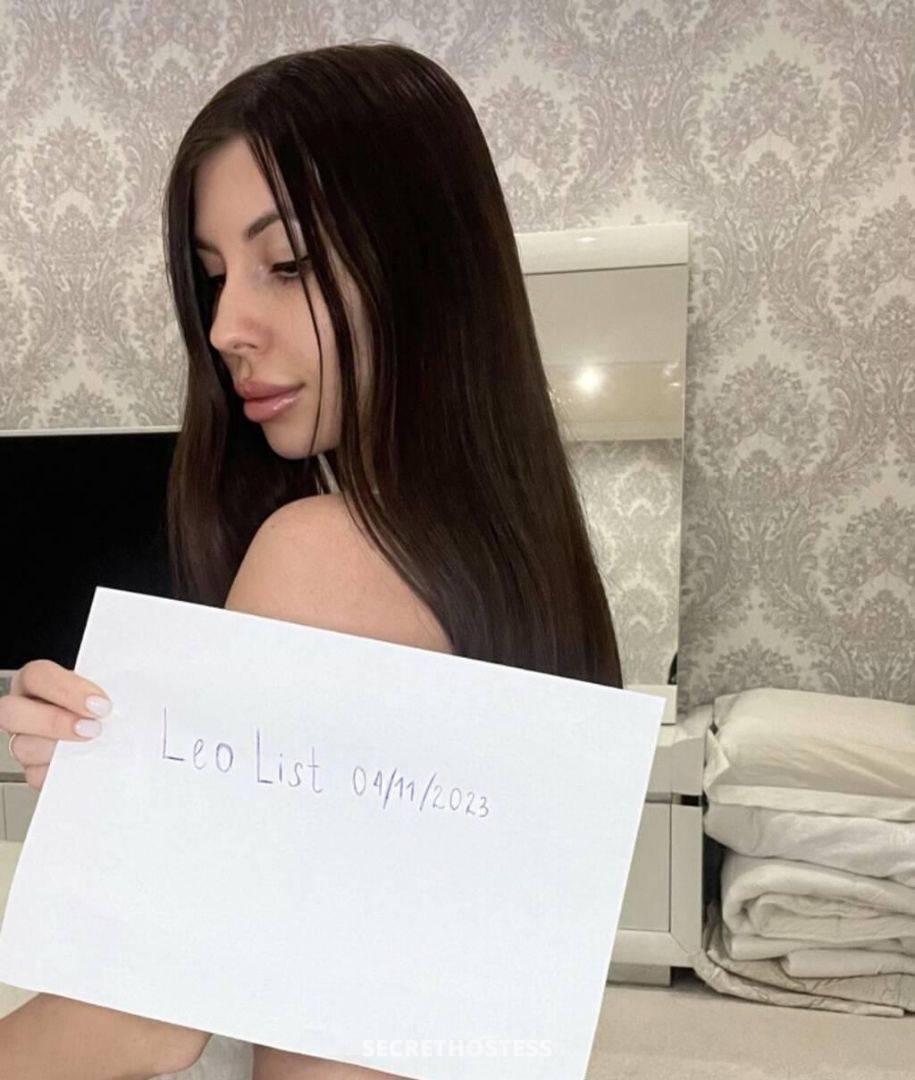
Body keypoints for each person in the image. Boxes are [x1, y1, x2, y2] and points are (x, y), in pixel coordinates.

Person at [0, 40, 622, 1079]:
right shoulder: (518, 560)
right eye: (213, 277)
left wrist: (137, 885)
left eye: (285, 265)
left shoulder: (324, 557)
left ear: (427, 265)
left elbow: (136, 1025)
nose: (224, 328)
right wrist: (128, 795)